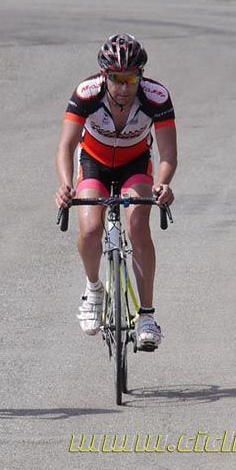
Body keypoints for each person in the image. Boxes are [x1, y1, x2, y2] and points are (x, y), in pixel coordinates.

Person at [54, 33, 177, 351]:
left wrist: (163, 184)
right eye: (116, 79)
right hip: (94, 162)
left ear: (141, 76)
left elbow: (168, 154)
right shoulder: (87, 93)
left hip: (134, 163)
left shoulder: (156, 97)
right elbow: (66, 146)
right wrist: (65, 185)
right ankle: (94, 288)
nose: (123, 87)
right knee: (91, 227)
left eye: (131, 79)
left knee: (138, 226)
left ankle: (147, 316)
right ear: (104, 76)